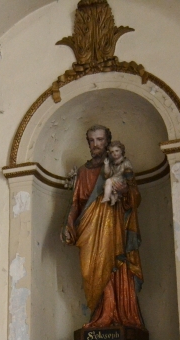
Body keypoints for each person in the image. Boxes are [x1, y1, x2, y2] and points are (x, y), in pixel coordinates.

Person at [62, 125, 144, 328]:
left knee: (114, 264)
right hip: (89, 227)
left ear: (107, 142)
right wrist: (69, 223)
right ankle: (99, 314)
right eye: (91, 140)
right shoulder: (82, 172)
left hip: (114, 226)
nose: (95, 144)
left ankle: (114, 315)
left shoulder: (119, 166)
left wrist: (125, 190)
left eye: (99, 140)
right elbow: (77, 203)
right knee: (90, 271)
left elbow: (135, 196)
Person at [101, 141, 133, 206]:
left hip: (121, 178)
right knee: (108, 186)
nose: (114, 153)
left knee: (108, 181)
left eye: (117, 151)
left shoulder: (126, 162)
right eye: (112, 152)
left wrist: (127, 173)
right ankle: (113, 198)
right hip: (115, 179)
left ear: (121, 151)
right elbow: (108, 174)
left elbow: (129, 173)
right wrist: (106, 165)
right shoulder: (112, 163)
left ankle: (106, 197)